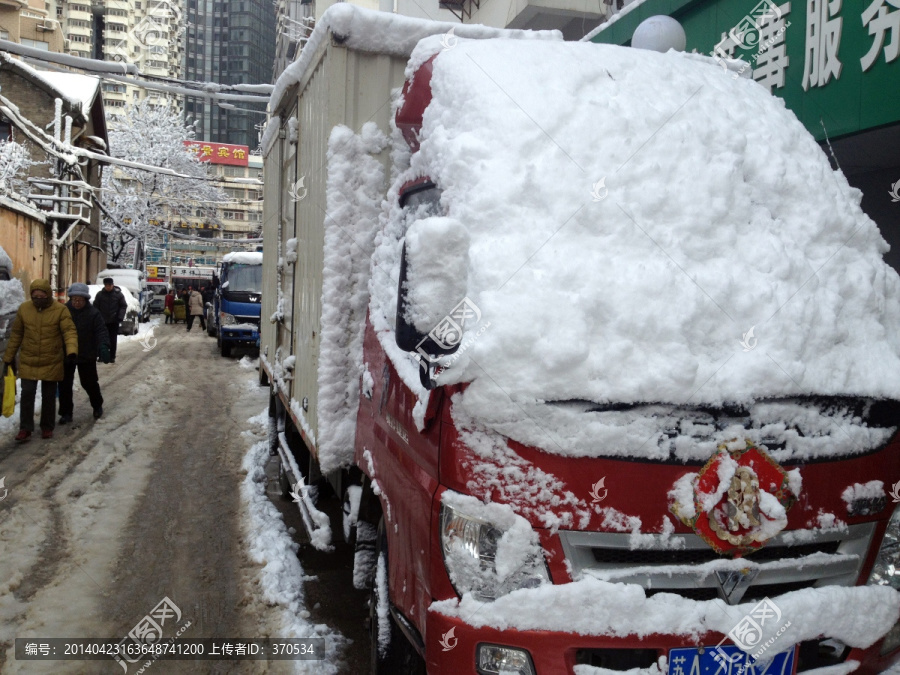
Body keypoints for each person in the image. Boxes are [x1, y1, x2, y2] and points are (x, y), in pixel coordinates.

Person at [2, 279, 78, 441]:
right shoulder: (24, 309)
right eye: (35, 296)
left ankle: (47, 427)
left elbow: (69, 332)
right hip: (29, 359)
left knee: (49, 396)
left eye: (41, 296)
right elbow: (16, 335)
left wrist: (71, 351)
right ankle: (25, 428)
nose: (38, 299)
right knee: (27, 394)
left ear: (48, 295)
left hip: (51, 359)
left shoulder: (60, 310)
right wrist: (8, 357)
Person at [58, 283, 110, 423]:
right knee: (64, 385)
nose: (76, 302)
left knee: (89, 382)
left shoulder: (93, 313)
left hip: (87, 353)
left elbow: (101, 331)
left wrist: (103, 345)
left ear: (85, 300)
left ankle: (97, 405)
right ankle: (66, 413)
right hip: (68, 353)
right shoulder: (64, 311)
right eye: (74, 299)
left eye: (80, 300)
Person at [93, 277, 127, 363]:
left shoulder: (118, 295)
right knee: (101, 339)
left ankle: (112, 356)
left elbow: (123, 306)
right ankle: (101, 356)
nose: (108, 287)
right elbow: (95, 307)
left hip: (113, 321)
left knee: (112, 339)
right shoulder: (100, 295)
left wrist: (120, 316)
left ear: (113, 285)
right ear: (104, 286)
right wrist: (97, 317)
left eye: (110, 285)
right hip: (102, 321)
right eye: (106, 285)